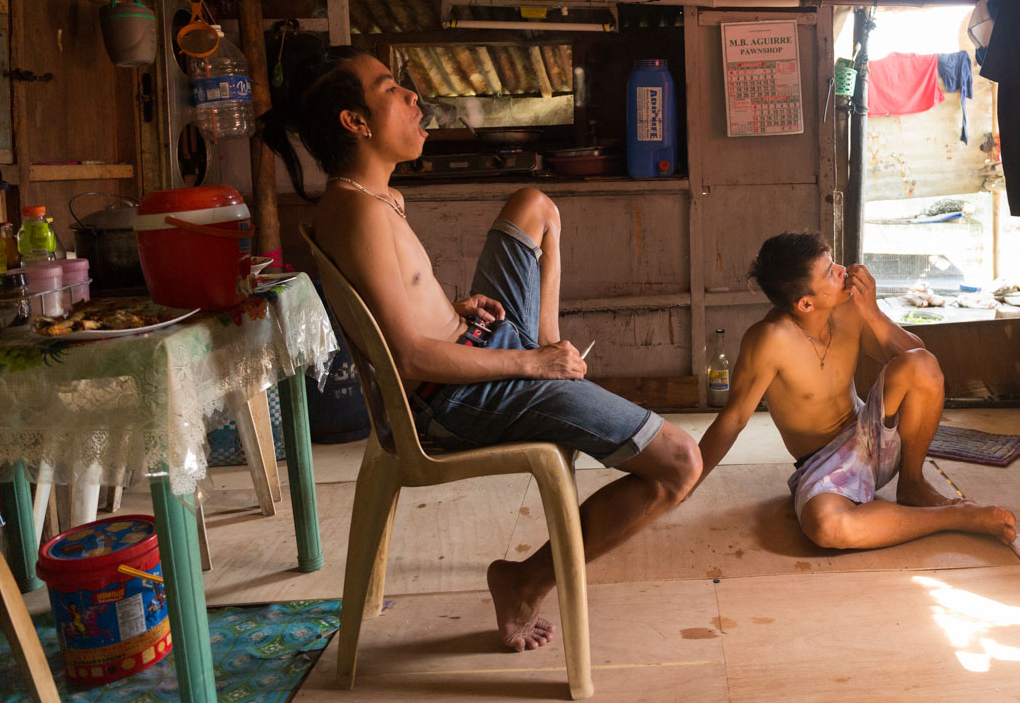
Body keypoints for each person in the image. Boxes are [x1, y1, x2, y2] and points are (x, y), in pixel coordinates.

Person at [261, 46, 701, 652]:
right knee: (680, 463)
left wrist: (455, 309)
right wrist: (532, 364)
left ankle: (550, 356)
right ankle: (523, 580)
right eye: (392, 90)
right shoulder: (357, 213)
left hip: (475, 346)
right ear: (355, 123)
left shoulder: (372, 198)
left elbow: (407, 308)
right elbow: (411, 357)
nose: (414, 98)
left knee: (533, 205)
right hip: (456, 399)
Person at [694, 231, 1016, 550]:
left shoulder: (849, 309)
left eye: (833, 261)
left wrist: (872, 314)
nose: (842, 271)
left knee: (921, 365)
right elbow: (733, 419)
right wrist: (686, 481)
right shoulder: (769, 340)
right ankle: (954, 518)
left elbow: (922, 362)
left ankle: (913, 484)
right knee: (829, 527)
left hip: (871, 433)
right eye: (829, 272)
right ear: (805, 303)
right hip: (823, 465)